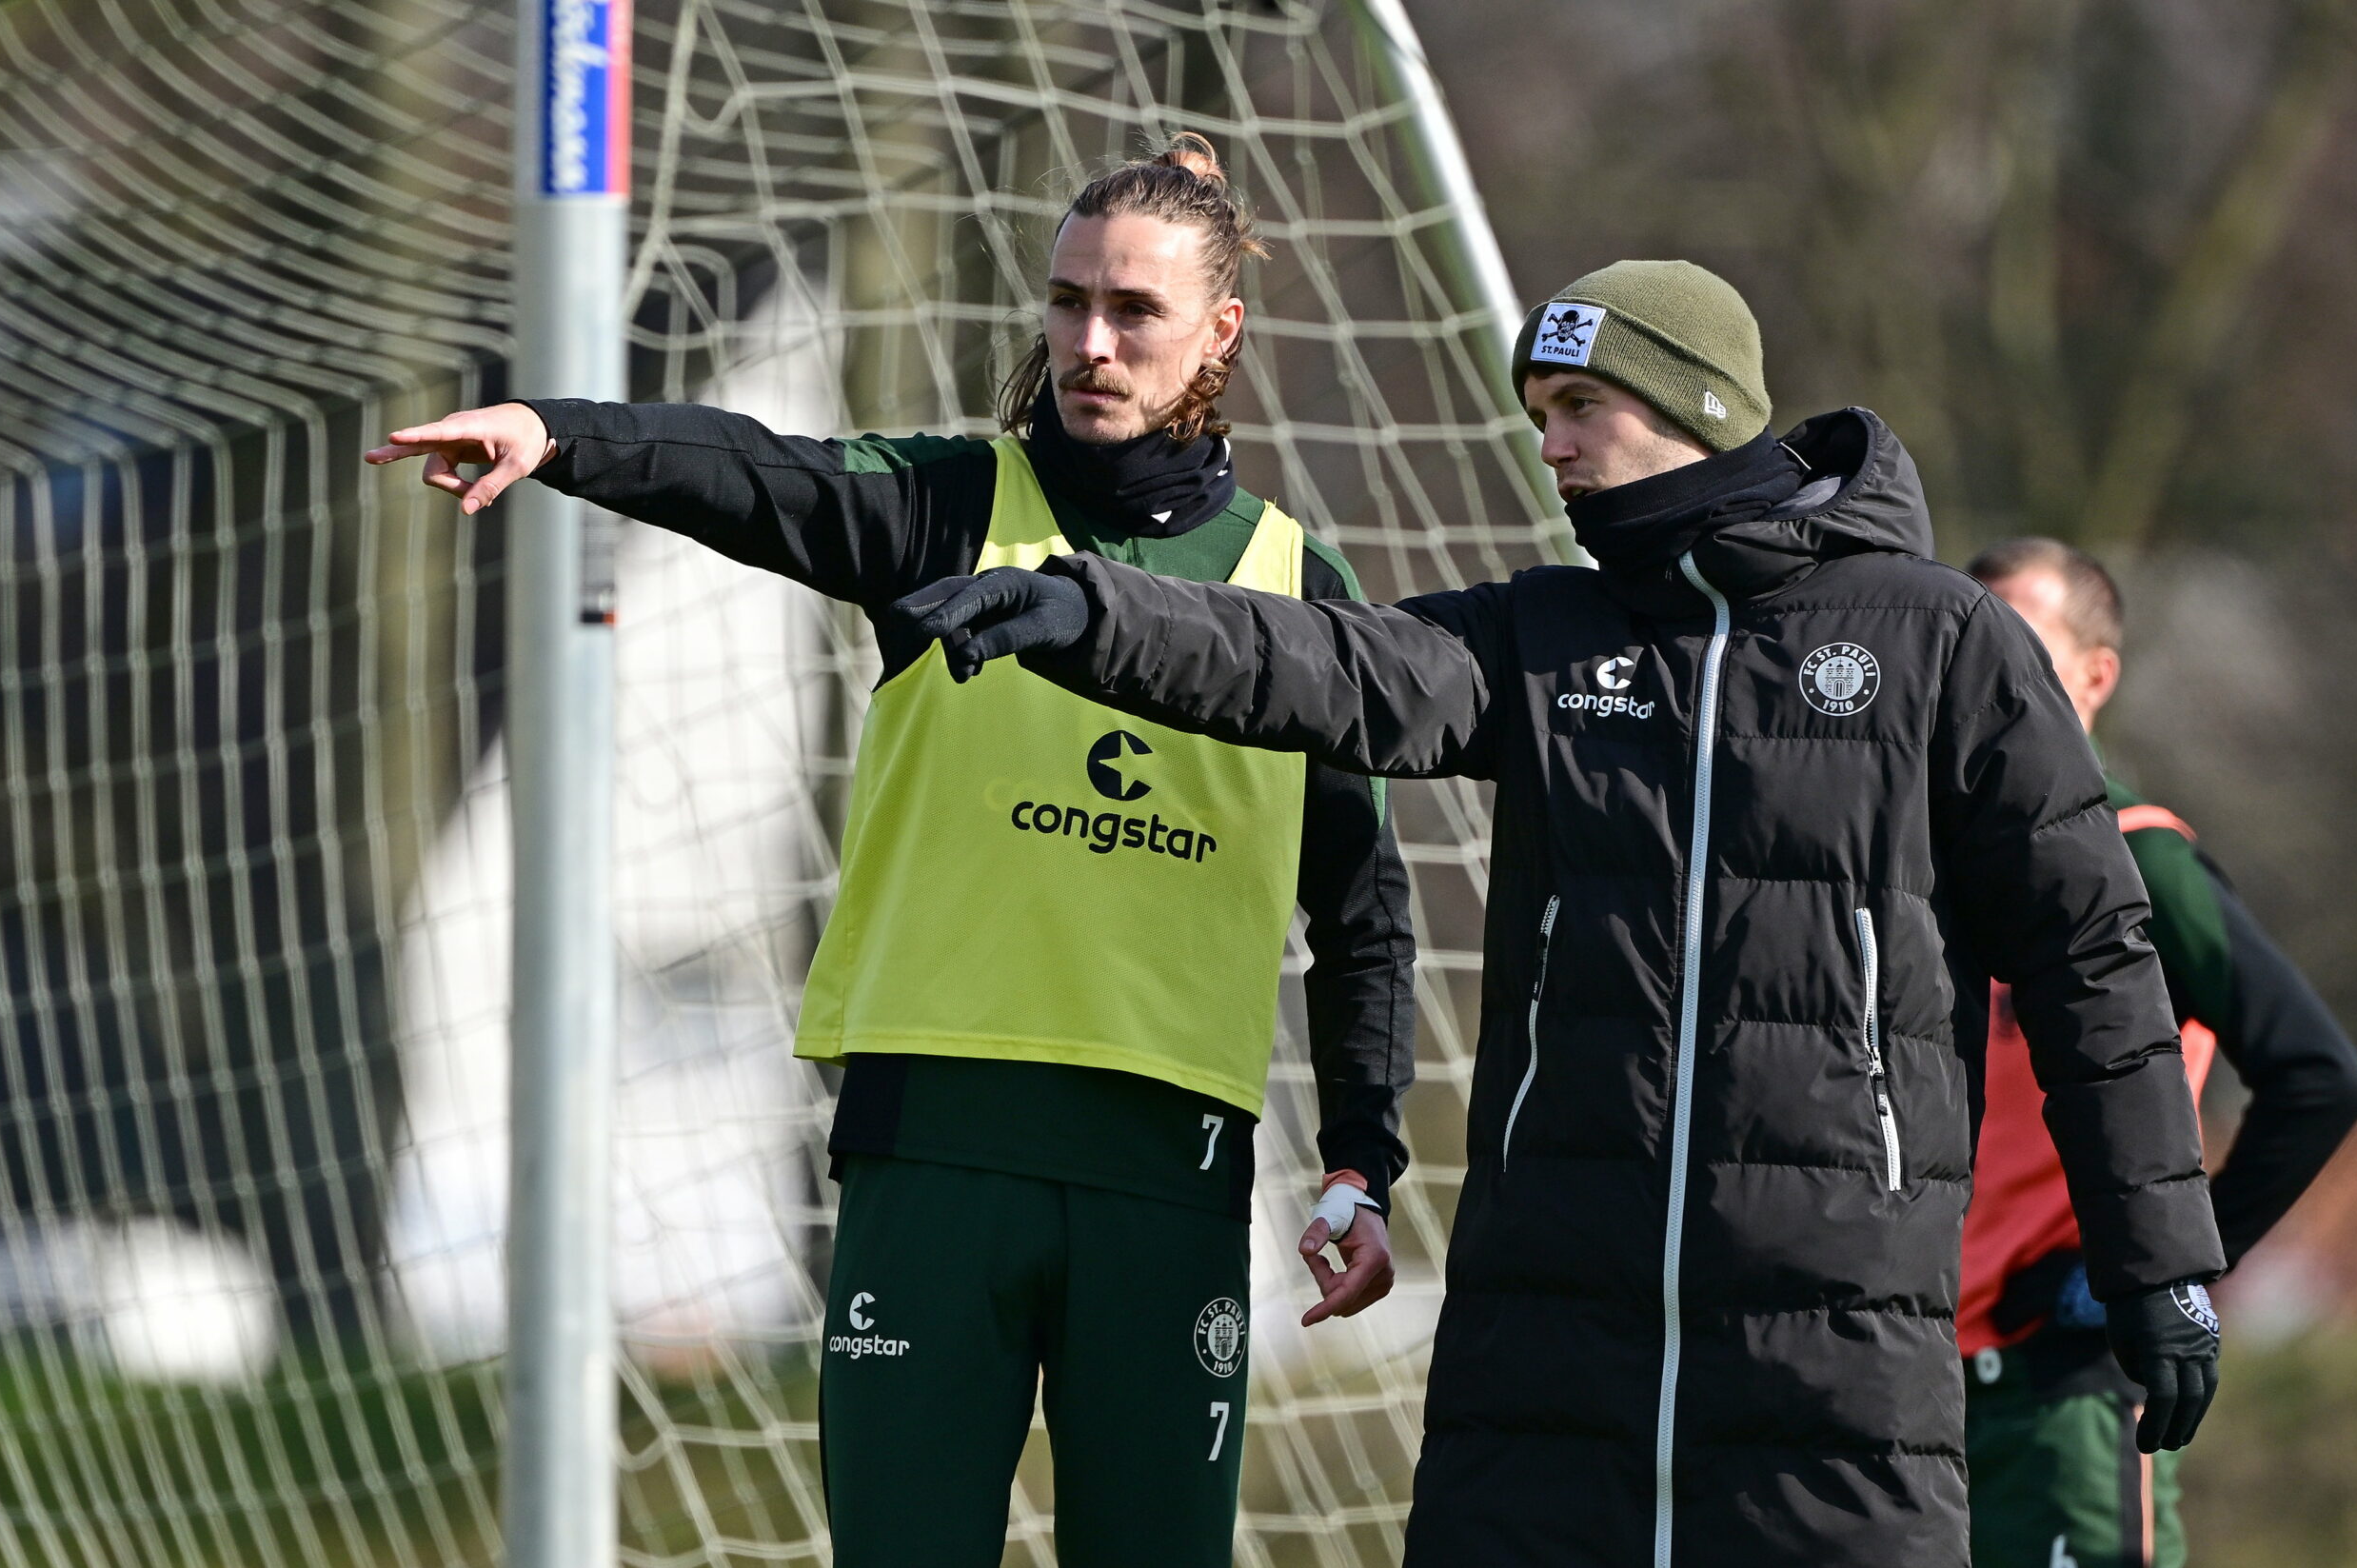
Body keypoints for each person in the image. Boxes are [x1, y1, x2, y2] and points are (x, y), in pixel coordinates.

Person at [891, 259, 2230, 1568]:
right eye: (1540, 415)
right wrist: (1093, 608)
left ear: (1695, 408)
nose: (1551, 446)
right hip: (1541, 1351)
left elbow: (2093, 963)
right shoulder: (1545, 632)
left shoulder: (1940, 640)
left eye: (1579, 405)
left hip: (1836, 1357)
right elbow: (1324, 661)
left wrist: (2156, 1259)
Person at [365, 135, 1417, 1568]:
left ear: (1219, 331)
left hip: (1166, 1171)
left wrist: (1360, 1152)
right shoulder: (946, 502)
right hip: (936, 1149)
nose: (1089, 343)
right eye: (1065, 304)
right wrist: (559, 437)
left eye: (1133, 313)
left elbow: (1362, 905)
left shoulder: (1299, 586)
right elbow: (752, 471)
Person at [1959, 538, 2357, 1568]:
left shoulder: (2139, 858)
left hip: (2063, 1399)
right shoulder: (1928, 867)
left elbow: (2320, 1079)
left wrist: (2160, 1272)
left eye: (2022, 644)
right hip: (1904, 1385)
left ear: (2096, 677)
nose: (1987, 677)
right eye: (1967, 646)